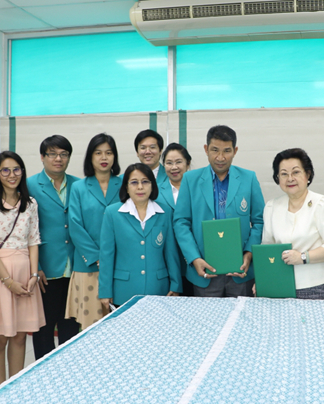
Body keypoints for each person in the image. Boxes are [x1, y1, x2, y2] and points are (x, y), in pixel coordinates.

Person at [0, 151, 44, 386]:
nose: (12, 174)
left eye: (16, 169)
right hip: (0, 276)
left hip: (25, 274)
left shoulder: (30, 203)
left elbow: (34, 240)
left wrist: (34, 275)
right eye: (5, 170)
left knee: (19, 337)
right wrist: (8, 281)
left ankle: (14, 390)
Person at [173, 125, 264, 297]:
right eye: (215, 150)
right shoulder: (190, 180)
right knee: (207, 315)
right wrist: (194, 258)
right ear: (206, 149)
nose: (220, 157)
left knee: (242, 314)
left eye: (227, 151)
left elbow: (259, 221)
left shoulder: (249, 178)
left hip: (240, 271)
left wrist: (249, 254)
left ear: (235, 151)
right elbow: (181, 222)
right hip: (204, 270)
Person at [260, 148, 324, 299]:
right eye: (284, 174)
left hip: (317, 286)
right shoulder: (271, 207)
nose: (290, 178)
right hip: (280, 284)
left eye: (296, 172)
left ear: (308, 175)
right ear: (277, 178)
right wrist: (264, 279)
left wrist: (303, 257)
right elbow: (267, 249)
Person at [27, 135, 80, 360]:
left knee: (71, 328)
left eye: (64, 154)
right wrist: (35, 267)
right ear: (42, 157)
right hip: (45, 269)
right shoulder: (29, 185)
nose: (58, 159)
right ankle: (43, 372)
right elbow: (24, 229)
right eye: (52, 154)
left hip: (75, 268)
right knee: (44, 329)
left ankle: (68, 371)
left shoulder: (79, 184)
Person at [98, 163, 182, 307]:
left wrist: (176, 285)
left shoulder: (165, 212)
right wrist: (105, 291)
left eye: (145, 182)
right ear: (126, 187)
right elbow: (106, 255)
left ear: (152, 185)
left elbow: (171, 252)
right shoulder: (112, 213)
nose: (140, 187)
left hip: (159, 289)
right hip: (124, 290)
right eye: (134, 182)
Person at [65, 133, 122, 330]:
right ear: (90, 156)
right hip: (88, 265)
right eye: (98, 153)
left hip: (119, 264)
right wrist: (97, 257)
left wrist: (110, 258)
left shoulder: (124, 184)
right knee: (91, 327)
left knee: (118, 325)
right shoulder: (78, 187)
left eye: (109, 153)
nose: (104, 157)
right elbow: (75, 226)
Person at [157, 142, 193, 296]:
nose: (174, 167)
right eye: (169, 163)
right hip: (168, 260)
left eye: (178, 162)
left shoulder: (198, 188)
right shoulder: (156, 191)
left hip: (195, 258)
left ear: (187, 163)